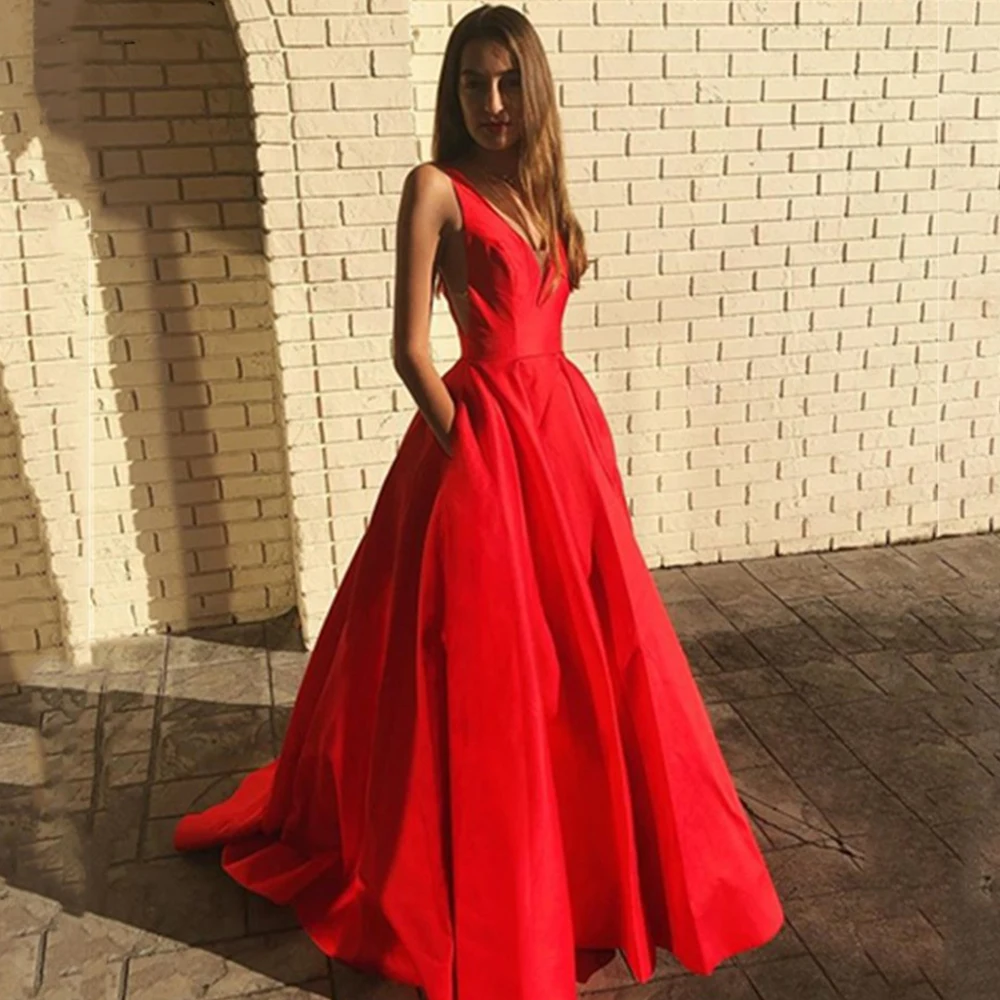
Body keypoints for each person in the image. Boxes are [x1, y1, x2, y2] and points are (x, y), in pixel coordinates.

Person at [173, 6, 785, 1000]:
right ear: (451, 91)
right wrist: (468, 444)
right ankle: (490, 871)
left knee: (587, 658)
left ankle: (589, 861)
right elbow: (410, 348)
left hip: (563, 437)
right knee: (483, 661)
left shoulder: (540, 191)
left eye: (506, 82)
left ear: (531, 89)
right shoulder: (436, 187)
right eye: (472, 83)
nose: (490, 102)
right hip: (485, 439)